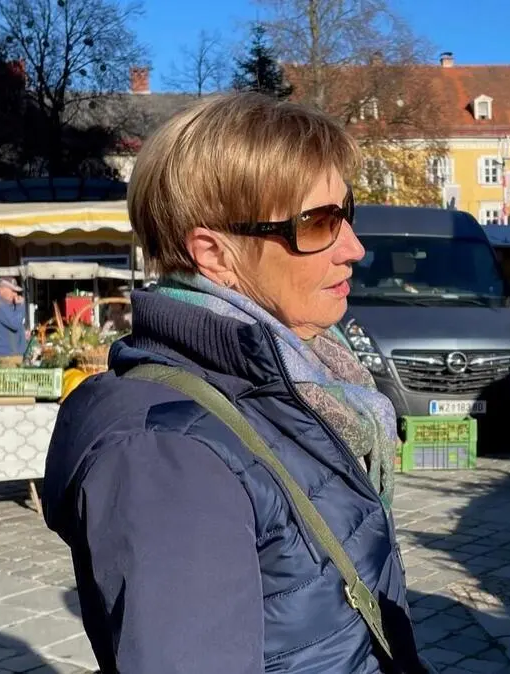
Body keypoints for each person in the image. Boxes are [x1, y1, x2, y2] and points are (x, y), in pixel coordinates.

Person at [42, 93, 425, 673]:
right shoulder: (169, 451)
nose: (354, 248)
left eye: (347, 212)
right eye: (317, 223)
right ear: (214, 254)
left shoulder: (302, 380)